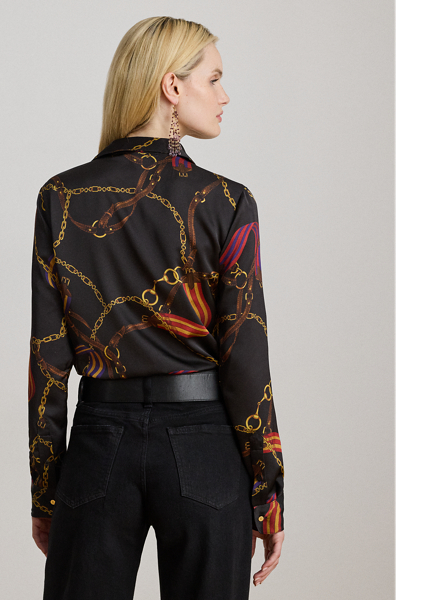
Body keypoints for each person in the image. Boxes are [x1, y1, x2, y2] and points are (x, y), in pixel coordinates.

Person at [28, 15, 285, 600]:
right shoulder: (226, 202)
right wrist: (267, 495)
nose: (224, 96)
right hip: (205, 448)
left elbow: (47, 361)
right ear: (173, 86)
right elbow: (246, 362)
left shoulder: (60, 197)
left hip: (98, 447)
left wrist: (46, 493)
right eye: (213, 79)